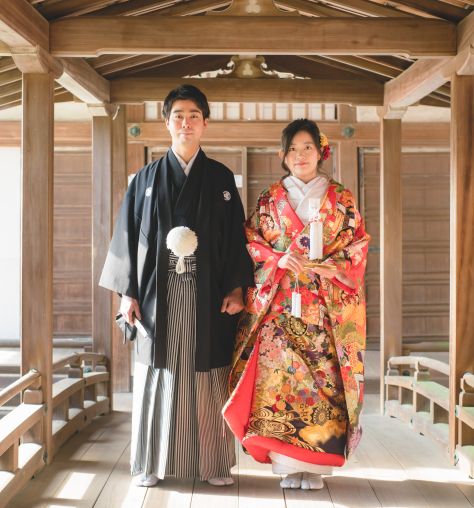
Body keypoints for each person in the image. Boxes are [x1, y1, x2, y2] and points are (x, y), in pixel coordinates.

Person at [99, 84, 254, 488]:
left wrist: (237, 288)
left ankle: (214, 465)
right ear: (166, 122)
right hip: (156, 296)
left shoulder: (221, 178)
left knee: (209, 377)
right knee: (157, 375)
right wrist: (127, 293)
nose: (186, 123)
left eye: (194, 116)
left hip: (209, 296)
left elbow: (237, 239)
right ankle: (150, 463)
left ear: (205, 123)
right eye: (178, 116)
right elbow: (126, 237)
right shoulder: (145, 179)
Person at [223, 119, 370, 490]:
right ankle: (286, 463)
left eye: (307, 148)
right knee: (279, 385)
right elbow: (251, 241)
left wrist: (331, 267)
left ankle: (317, 467)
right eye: (293, 149)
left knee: (324, 385)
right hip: (278, 307)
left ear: (321, 152)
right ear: (282, 155)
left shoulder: (342, 197)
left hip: (323, 307)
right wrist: (277, 260)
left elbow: (358, 245)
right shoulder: (270, 198)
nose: (300, 155)